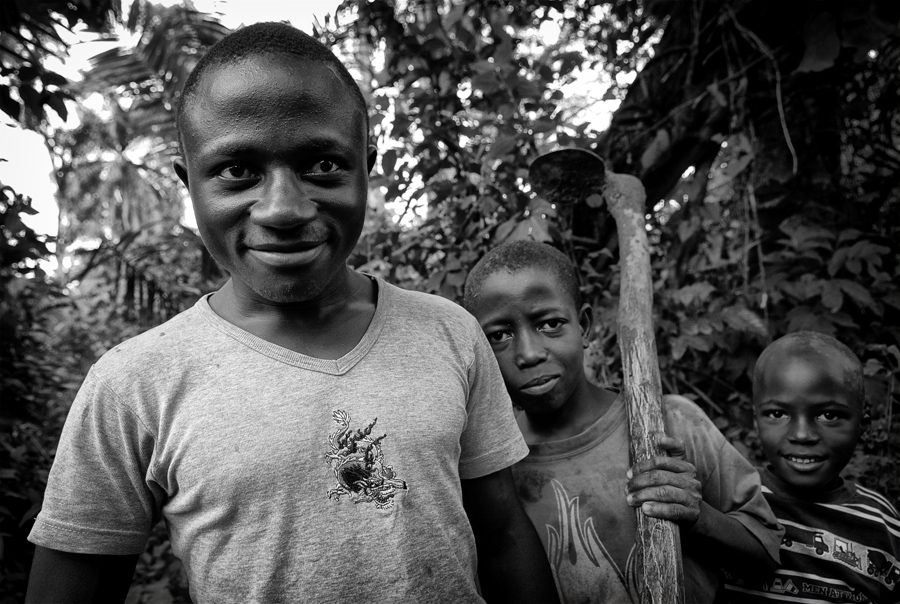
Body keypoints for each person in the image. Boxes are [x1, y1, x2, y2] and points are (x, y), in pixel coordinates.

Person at [25, 23, 558, 604]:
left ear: (364, 166)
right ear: (190, 183)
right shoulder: (133, 382)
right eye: (237, 170)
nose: (283, 209)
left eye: (322, 164)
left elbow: (503, 536)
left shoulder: (448, 332)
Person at [463, 239, 783, 604]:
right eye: (499, 336)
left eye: (550, 324)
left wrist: (698, 516)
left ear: (584, 326)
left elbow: (767, 551)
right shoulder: (493, 471)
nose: (530, 354)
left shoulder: (671, 423)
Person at [721, 331, 900, 603]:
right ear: (756, 421)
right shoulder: (730, 498)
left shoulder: (882, 524)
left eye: (828, 415)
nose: (802, 435)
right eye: (778, 414)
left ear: (863, 424)